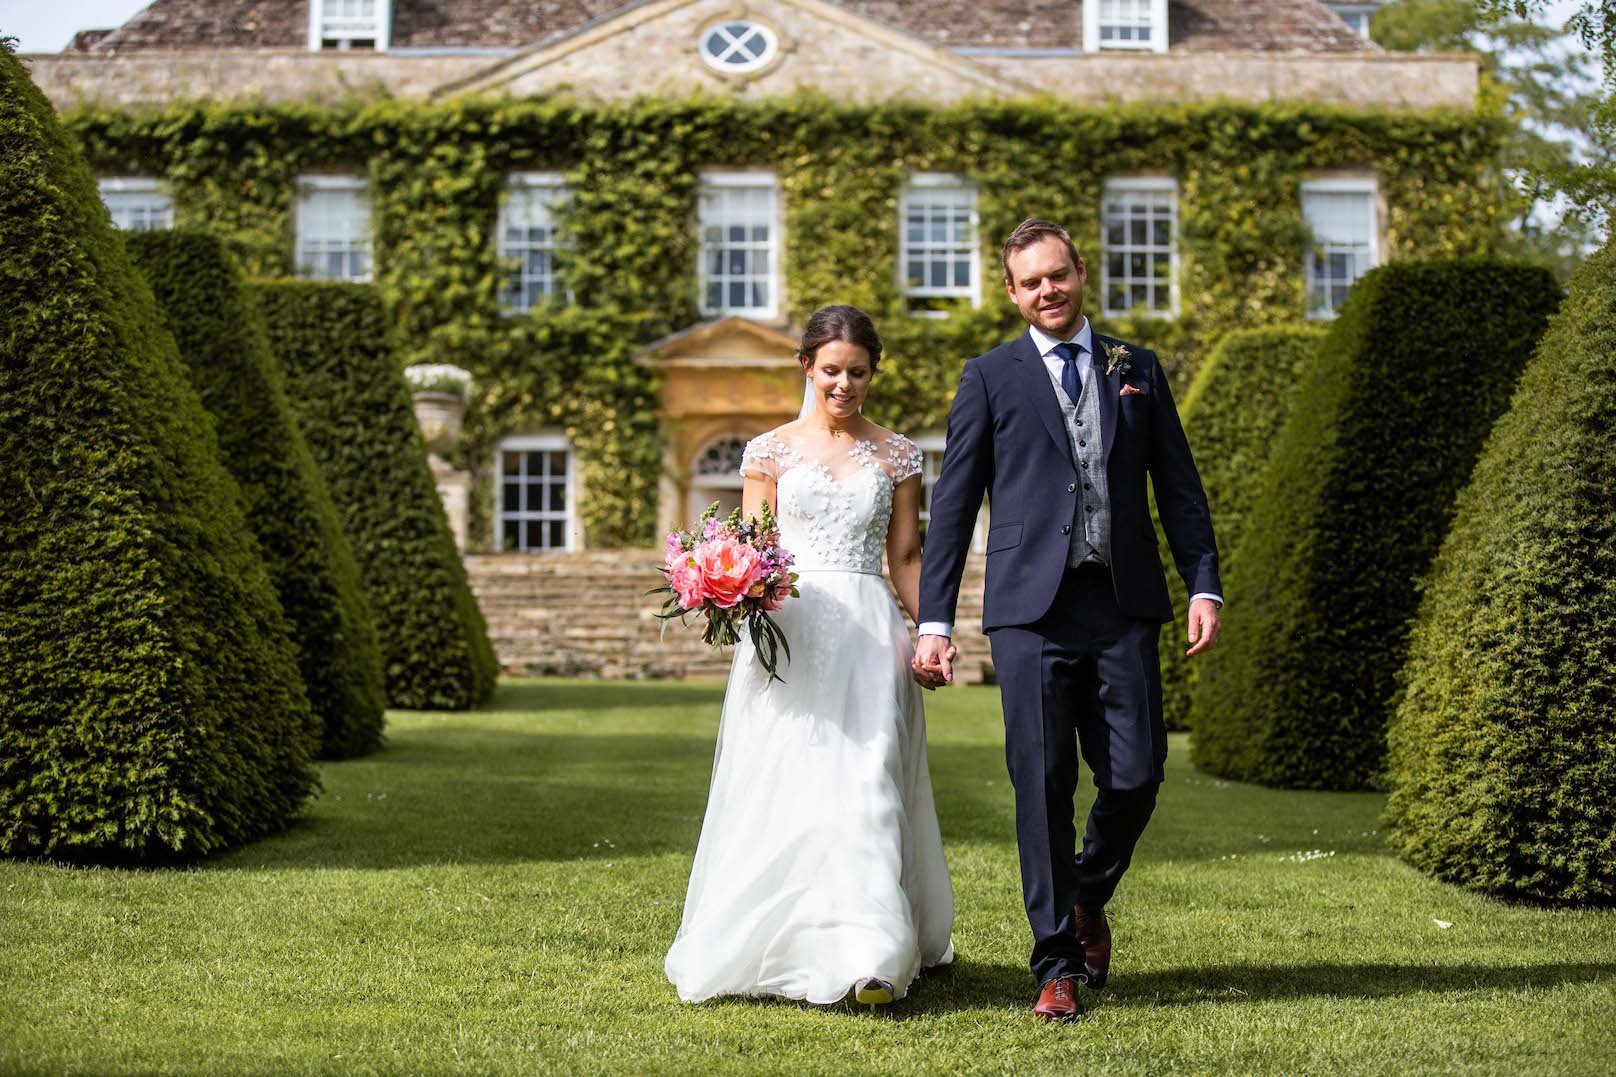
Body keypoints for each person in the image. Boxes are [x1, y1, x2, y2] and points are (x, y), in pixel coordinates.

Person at [914, 219, 1223, 1023]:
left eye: (1058, 274)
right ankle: (1055, 962)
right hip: (1029, 612)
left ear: (1080, 273)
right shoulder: (989, 376)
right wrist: (935, 619)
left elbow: (1179, 487)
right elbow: (954, 504)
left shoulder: (1136, 367)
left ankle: (1086, 895)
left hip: (1123, 601)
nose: (1048, 290)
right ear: (1012, 293)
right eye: (1032, 281)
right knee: (1042, 782)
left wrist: (1204, 584)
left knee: (1138, 771)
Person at [665, 304, 954, 1008]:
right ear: (806, 367)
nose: (844, 385)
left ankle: (871, 954)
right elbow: (757, 549)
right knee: (786, 782)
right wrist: (725, 583)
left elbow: (905, 557)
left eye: (858, 372)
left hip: (869, 632)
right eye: (831, 371)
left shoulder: (898, 456)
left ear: (873, 374)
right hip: (789, 631)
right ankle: (780, 940)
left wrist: (933, 630)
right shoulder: (768, 453)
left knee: (867, 781)